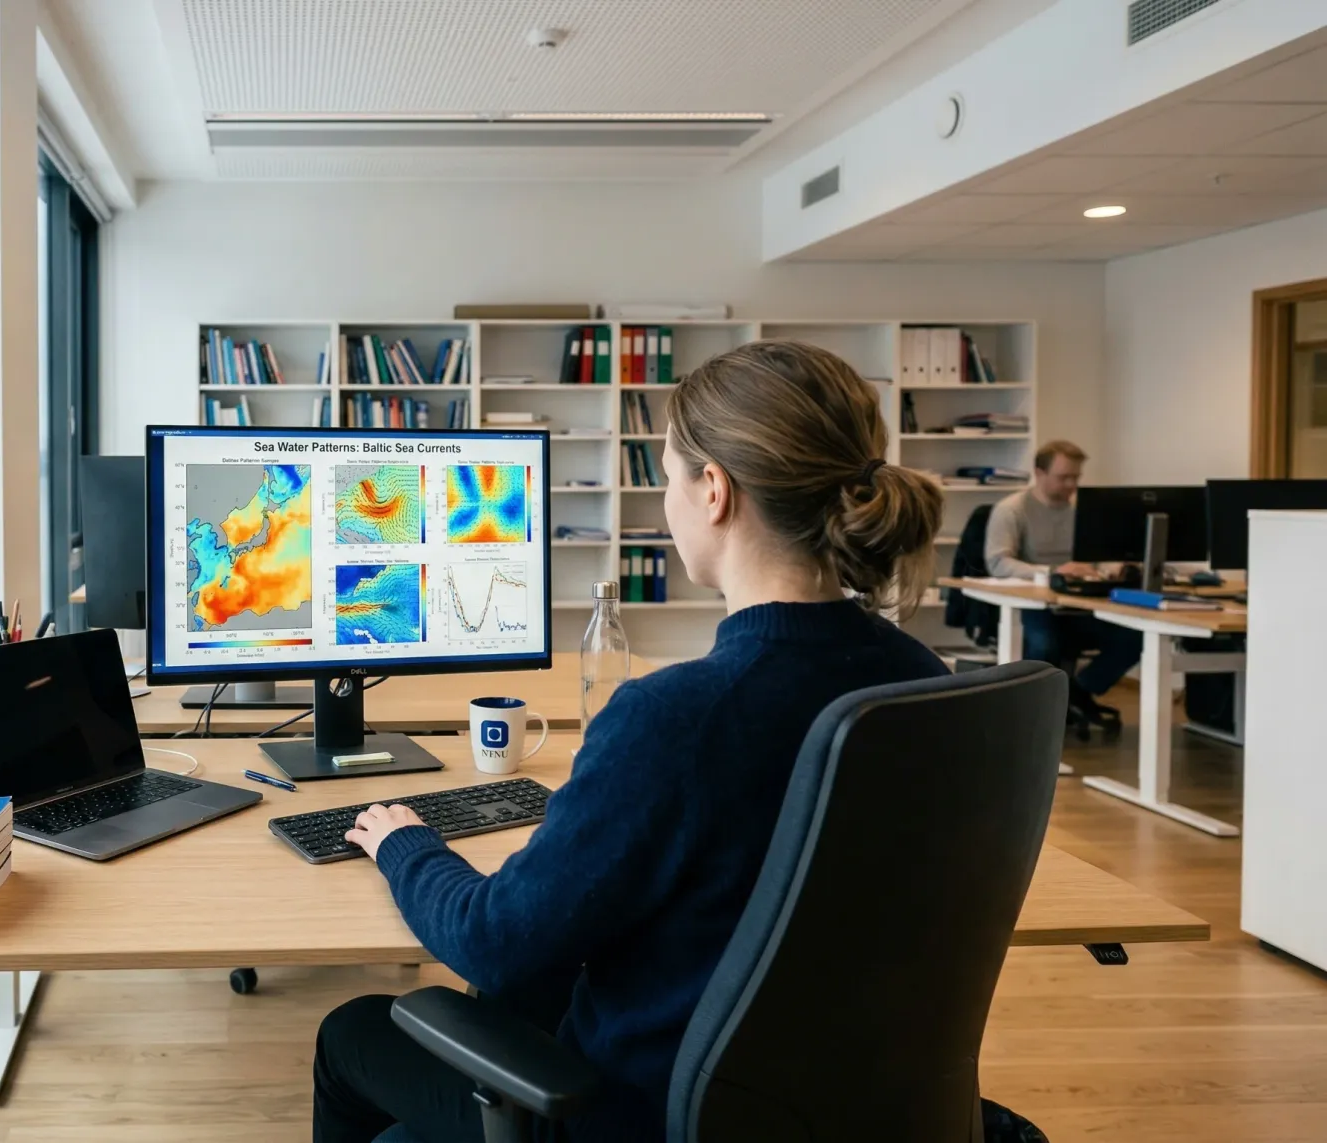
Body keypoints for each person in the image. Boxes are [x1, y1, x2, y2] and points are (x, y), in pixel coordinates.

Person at [310, 340, 1050, 1143]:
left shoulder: (675, 717)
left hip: (647, 1114)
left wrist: (405, 844)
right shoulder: (918, 682)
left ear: (714, 490)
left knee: (352, 1034)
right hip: (849, 1107)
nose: (666, 501)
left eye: (667, 476)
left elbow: (492, 941)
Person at [983, 439, 1138, 727]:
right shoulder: (1012, 510)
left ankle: (1078, 691)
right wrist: (1053, 571)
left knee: (1133, 636)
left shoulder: (1083, 511)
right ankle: (1036, 715)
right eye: (1063, 477)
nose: (1071, 485)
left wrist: (1113, 567)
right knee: (1044, 643)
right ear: (1039, 474)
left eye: (1076, 477)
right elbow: (998, 562)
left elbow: (1096, 558)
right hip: (1032, 606)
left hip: (1078, 604)